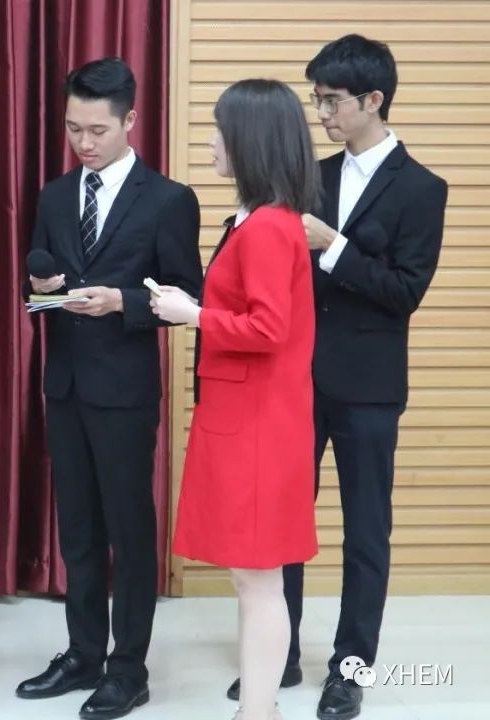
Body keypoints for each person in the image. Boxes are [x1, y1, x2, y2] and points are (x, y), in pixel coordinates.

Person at [15, 57, 203, 720]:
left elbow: (188, 297)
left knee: (129, 528)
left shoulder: (169, 200)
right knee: (79, 529)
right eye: (73, 129)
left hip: (125, 391)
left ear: (130, 121)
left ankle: (130, 669)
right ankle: (83, 653)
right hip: (66, 385)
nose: (84, 143)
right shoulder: (55, 195)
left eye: (97, 130)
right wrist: (43, 291)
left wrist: (121, 300)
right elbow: (37, 285)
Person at [279, 35, 445, 720]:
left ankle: (350, 671)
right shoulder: (310, 177)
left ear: (374, 99)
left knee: (366, 532)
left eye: (331, 101)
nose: (321, 113)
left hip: (371, 386)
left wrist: (334, 247)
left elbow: (405, 292)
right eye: (316, 100)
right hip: (296, 378)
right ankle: (278, 650)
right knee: (285, 522)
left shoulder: (423, 188)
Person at [153, 78, 321, 720]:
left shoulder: (268, 227)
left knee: (258, 579)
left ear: (250, 141)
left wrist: (193, 314)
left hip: (257, 425)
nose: (211, 143)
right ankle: (260, 708)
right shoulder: (261, 221)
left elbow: (268, 328)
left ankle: (258, 710)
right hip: (247, 418)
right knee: (252, 577)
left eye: (220, 131)